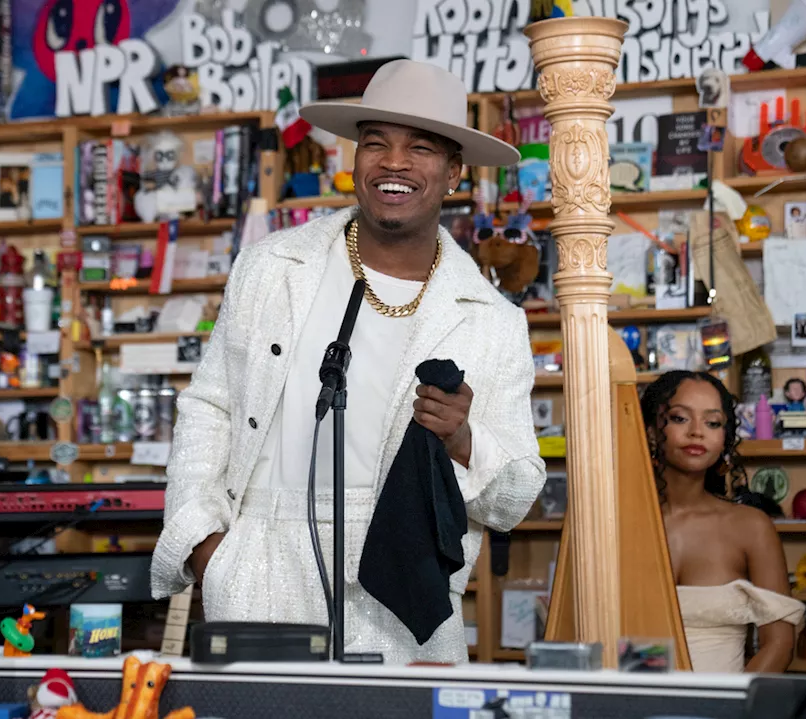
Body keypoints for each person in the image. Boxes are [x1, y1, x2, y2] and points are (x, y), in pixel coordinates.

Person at [149, 59, 545, 664]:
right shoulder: (272, 268)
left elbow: (515, 497)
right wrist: (209, 548)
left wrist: (463, 438)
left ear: (454, 173)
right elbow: (209, 407)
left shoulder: (492, 319)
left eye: (420, 148)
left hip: (404, 587)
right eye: (375, 143)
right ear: (354, 159)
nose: (394, 162)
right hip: (262, 564)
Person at [640, 371, 803, 673]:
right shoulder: (616, 523)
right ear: (650, 431)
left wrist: (728, 709)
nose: (697, 432)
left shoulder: (751, 527)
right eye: (679, 418)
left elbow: (779, 644)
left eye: (712, 422)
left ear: (724, 439)